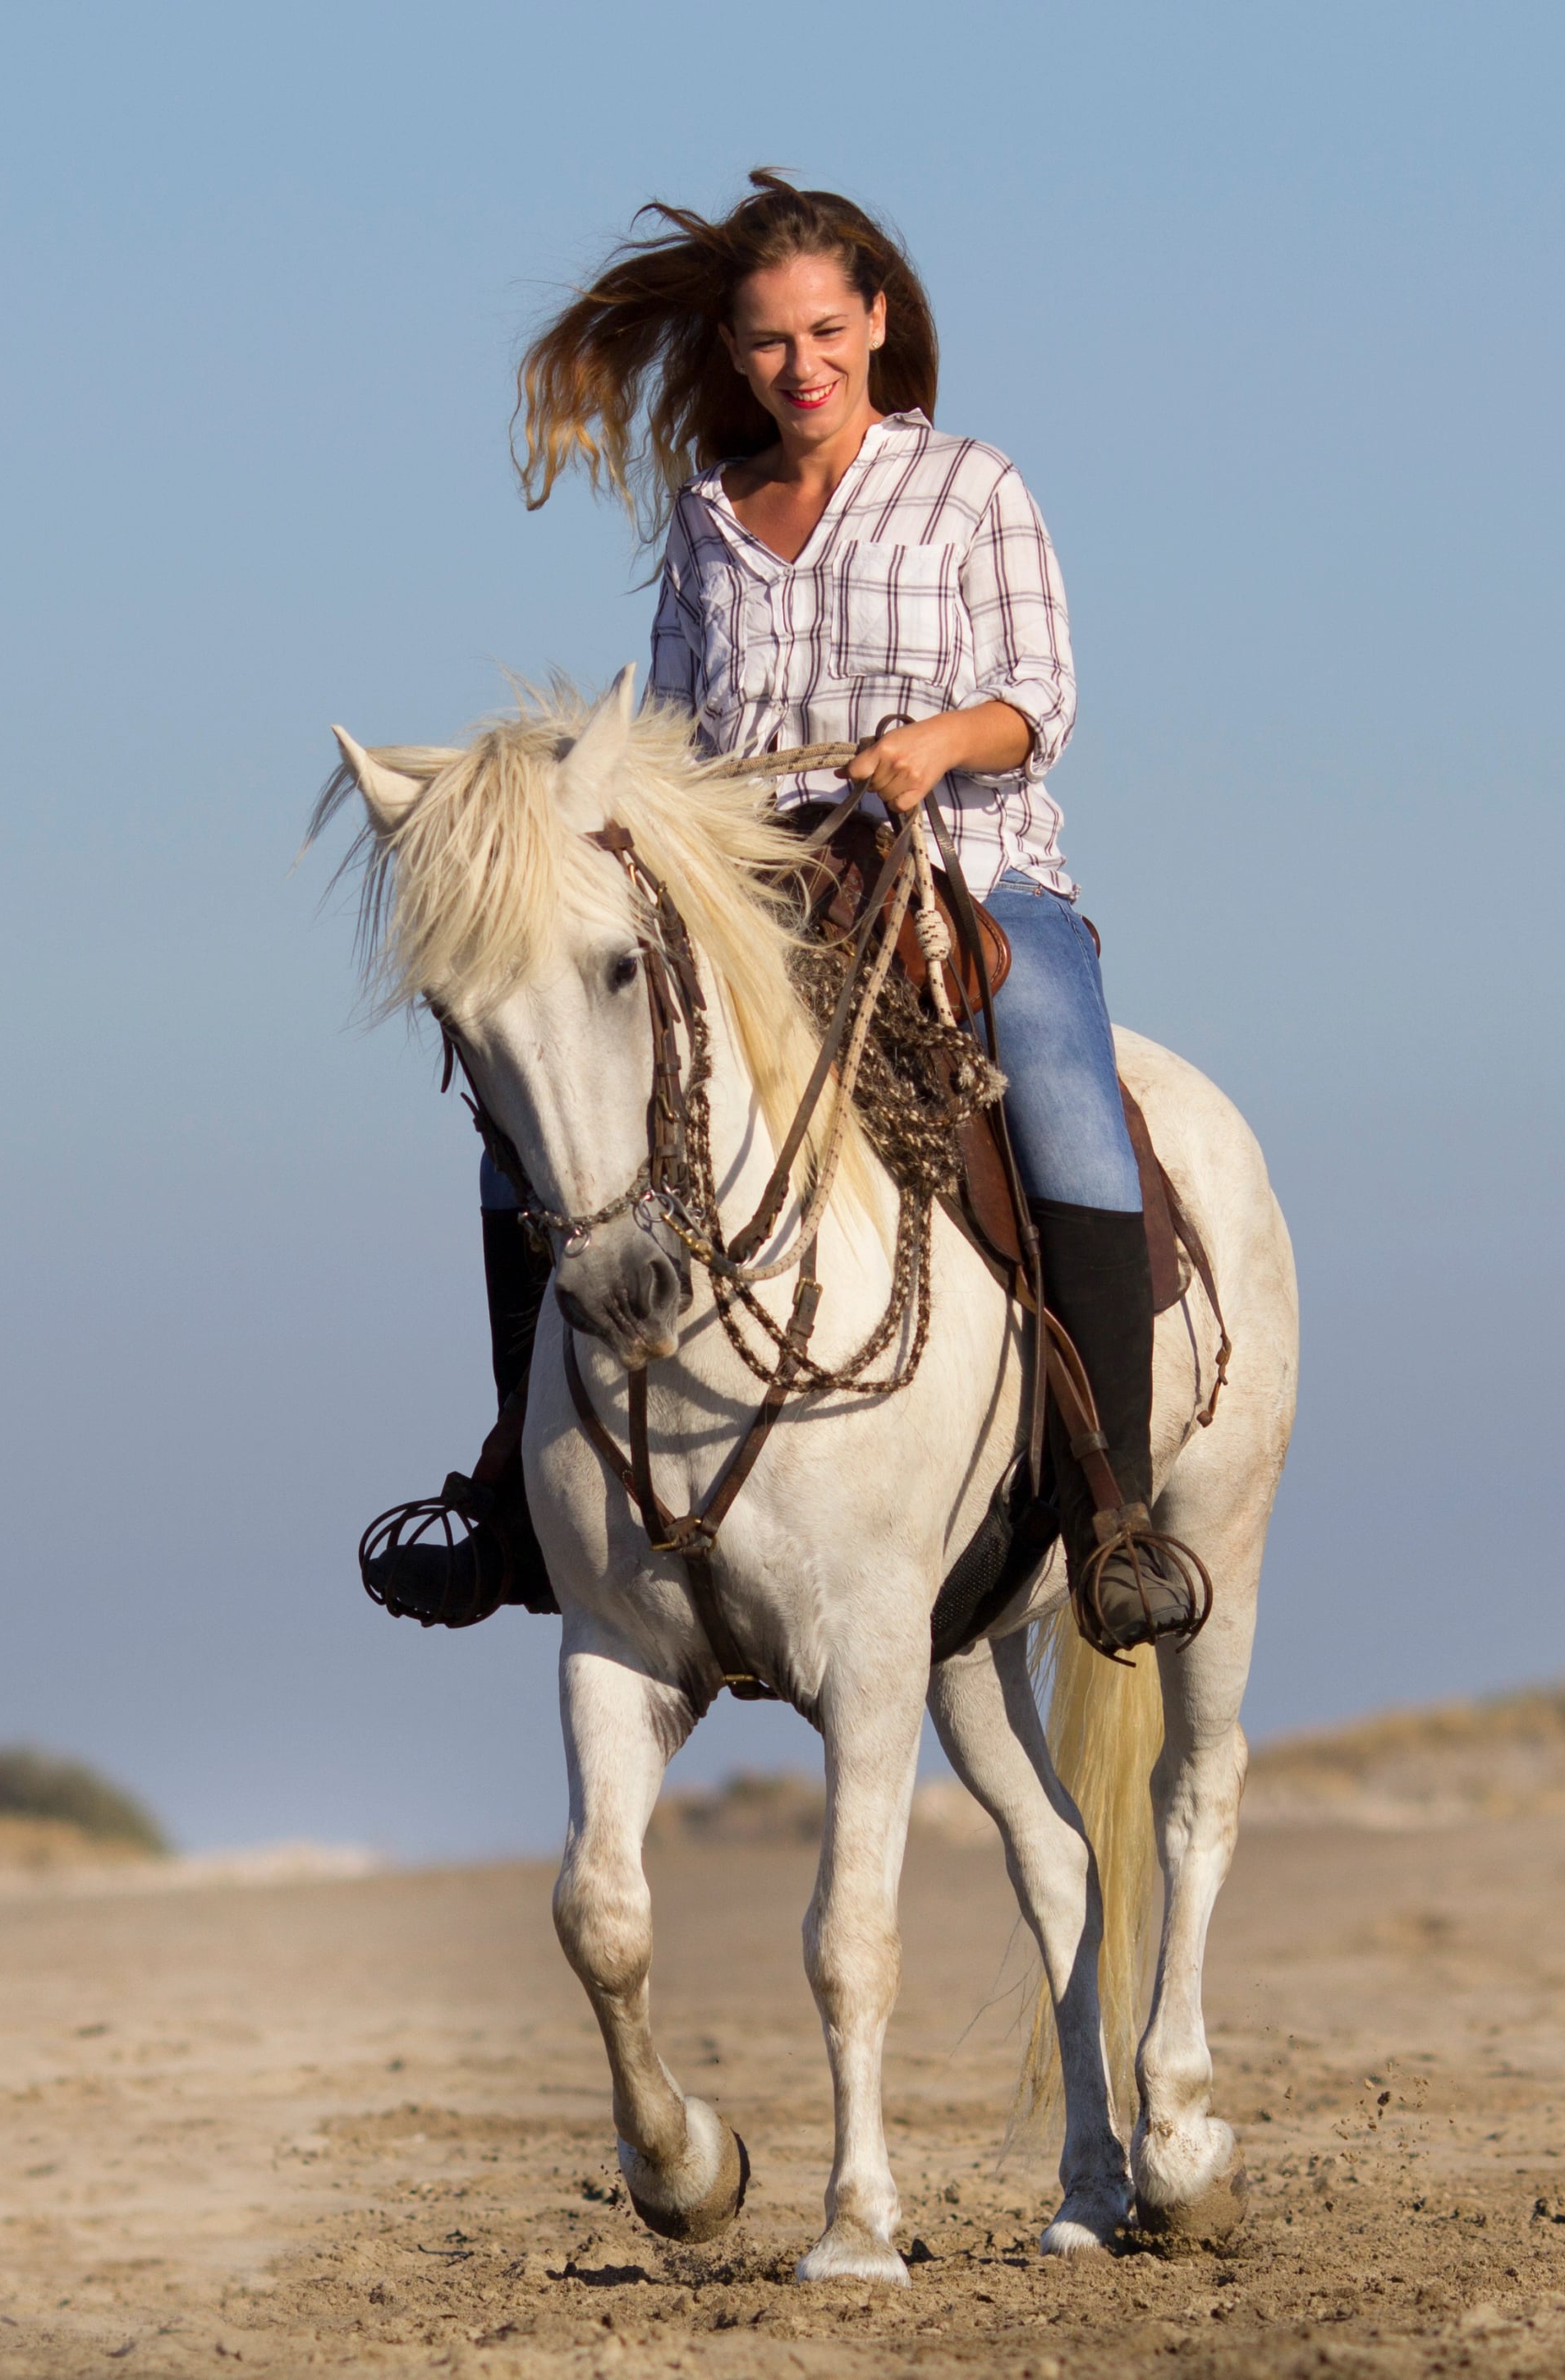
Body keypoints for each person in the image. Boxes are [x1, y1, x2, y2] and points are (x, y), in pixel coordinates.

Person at [360, 171, 1200, 1654]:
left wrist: (937, 743)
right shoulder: (708, 513)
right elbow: (678, 731)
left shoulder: (973, 488)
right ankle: (518, 1498)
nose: (800, 364)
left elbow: (1043, 700)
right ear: (734, 355)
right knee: (533, 1121)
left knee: (1065, 1088)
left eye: (826, 329)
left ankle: (1112, 1504)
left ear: (876, 321)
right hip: (758, 894)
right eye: (767, 342)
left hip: (968, 872)